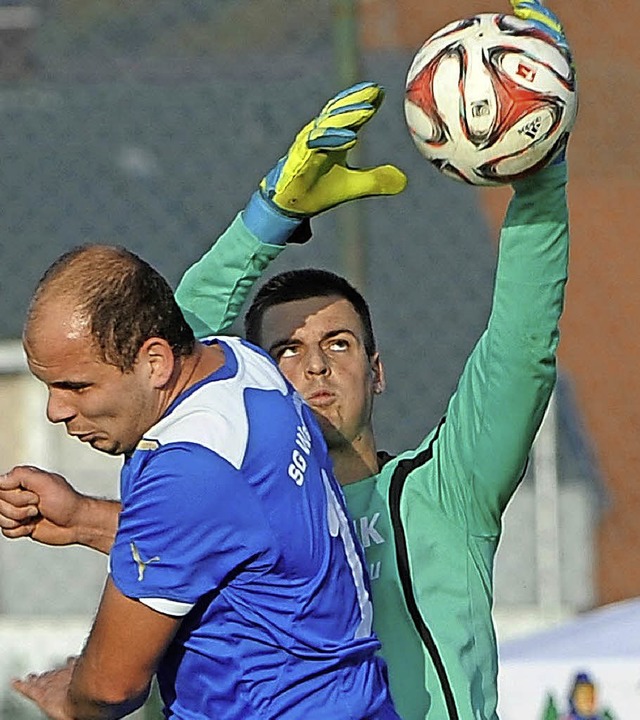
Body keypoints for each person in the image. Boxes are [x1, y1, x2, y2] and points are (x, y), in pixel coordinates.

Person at [0, 1, 573, 718]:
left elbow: (521, 348)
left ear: (378, 368)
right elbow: (162, 353)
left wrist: (541, 167)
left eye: (338, 343)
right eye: (287, 350)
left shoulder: (442, 494)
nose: (315, 366)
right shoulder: (247, 477)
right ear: (258, 376)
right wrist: (265, 219)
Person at [2, 245, 401, 719]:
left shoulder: (190, 469)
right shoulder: (242, 365)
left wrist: (67, 700)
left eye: (77, 387)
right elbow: (230, 540)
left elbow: (111, 688)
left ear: (155, 362)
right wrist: (83, 520)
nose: (56, 410)